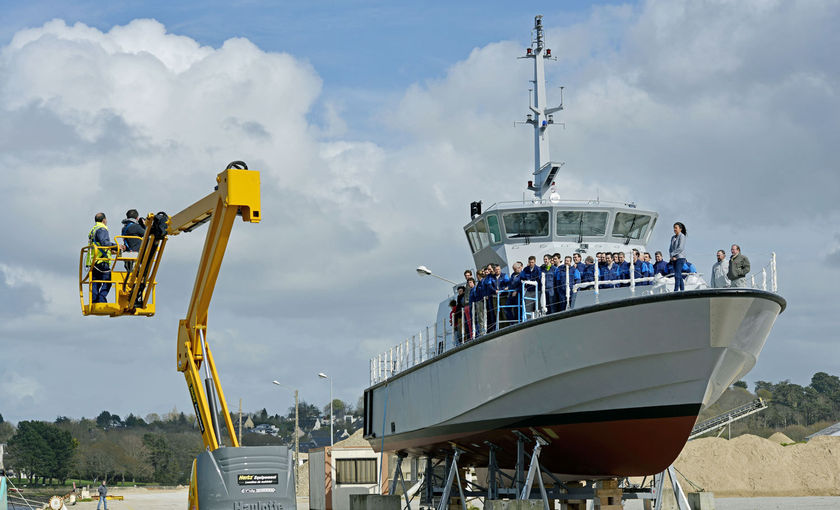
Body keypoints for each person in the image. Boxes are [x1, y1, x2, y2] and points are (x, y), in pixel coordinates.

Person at [88, 213, 119, 303]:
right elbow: (104, 243)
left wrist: (110, 250)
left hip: (93, 260)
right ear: (104, 220)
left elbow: (98, 244)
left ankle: (94, 300)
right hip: (101, 260)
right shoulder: (102, 229)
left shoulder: (93, 229)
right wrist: (117, 247)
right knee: (108, 280)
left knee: (95, 282)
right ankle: (101, 299)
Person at [670, 222, 687, 292]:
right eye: (674, 228)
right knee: (678, 275)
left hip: (680, 258)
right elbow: (670, 248)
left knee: (677, 275)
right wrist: (671, 256)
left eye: (676, 228)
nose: (674, 229)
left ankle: (676, 290)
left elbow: (681, 248)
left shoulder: (682, 236)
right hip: (674, 258)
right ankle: (682, 290)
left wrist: (673, 254)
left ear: (680, 229)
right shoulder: (673, 237)